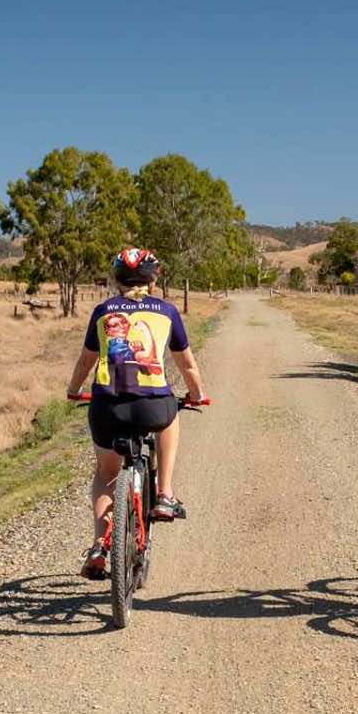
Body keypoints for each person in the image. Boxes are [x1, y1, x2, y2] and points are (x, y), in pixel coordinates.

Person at [66, 248, 209, 580]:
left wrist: (73, 390)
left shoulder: (102, 312)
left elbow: (86, 361)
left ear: (116, 280)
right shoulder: (167, 311)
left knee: (105, 473)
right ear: (153, 279)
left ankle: (100, 545)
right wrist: (197, 395)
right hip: (152, 405)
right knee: (171, 414)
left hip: (107, 407)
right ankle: (165, 494)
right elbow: (186, 363)